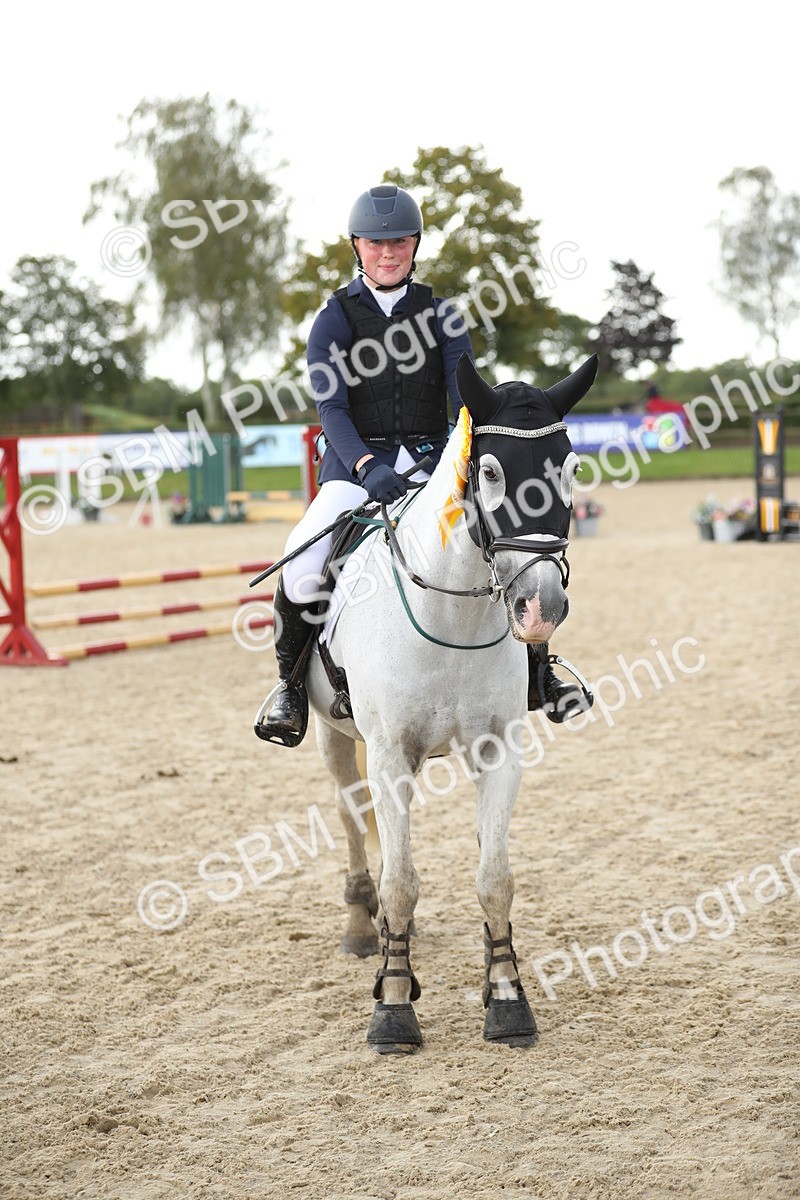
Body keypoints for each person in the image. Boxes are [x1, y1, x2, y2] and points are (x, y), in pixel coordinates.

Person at [256, 184, 586, 748]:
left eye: (400, 243)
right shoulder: (334, 319)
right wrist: (365, 463)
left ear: (415, 245)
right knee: (304, 562)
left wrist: (449, 458)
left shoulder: (443, 315)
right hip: (355, 468)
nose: (388, 253)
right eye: (376, 243)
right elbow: (332, 408)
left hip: (437, 465)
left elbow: (464, 400)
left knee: (505, 539)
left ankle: (539, 672)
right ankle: (289, 687)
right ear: (357, 247)